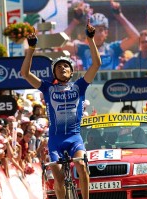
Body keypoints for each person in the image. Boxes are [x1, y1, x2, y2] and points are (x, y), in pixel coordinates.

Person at [21, 20, 101, 199]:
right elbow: (25, 74)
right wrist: (31, 49)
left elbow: (96, 64)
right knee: (58, 177)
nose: (62, 68)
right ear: (54, 73)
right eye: (58, 67)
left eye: (66, 66)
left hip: (74, 137)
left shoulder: (79, 86)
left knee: (81, 166)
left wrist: (91, 39)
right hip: (56, 140)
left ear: (71, 72)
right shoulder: (48, 88)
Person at [63, 0, 139, 71]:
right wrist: (76, 20)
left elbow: (136, 37)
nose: (97, 34)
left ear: (106, 33)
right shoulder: (83, 49)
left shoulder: (113, 48)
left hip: (109, 83)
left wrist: (119, 15)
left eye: (100, 30)